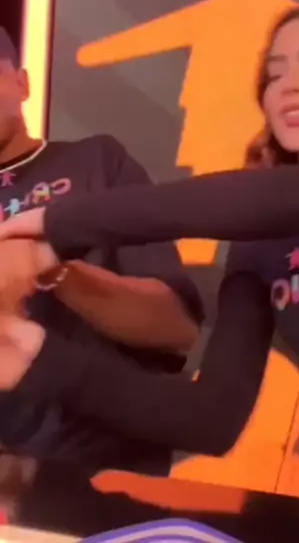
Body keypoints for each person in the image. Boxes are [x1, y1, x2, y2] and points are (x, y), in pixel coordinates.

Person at [0, 4, 299, 523]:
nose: (290, 85)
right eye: (274, 75)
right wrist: (39, 358)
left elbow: (283, 199)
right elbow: (210, 420)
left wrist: (52, 230)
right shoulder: (260, 243)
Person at [0, 27, 203, 475]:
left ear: (23, 83)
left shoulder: (95, 162)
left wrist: (52, 269)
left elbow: (175, 328)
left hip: (101, 467)